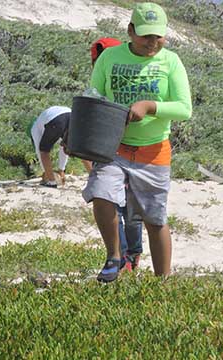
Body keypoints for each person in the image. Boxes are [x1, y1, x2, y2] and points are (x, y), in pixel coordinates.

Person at [82, 2, 192, 282]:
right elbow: (94, 96)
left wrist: (150, 106)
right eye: (146, 36)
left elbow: (184, 109)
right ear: (130, 31)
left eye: (158, 36)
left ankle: (162, 283)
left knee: (154, 220)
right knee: (101, 192)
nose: (152, 43)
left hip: (154, 151)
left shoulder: (171, 61)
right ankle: (115, 257)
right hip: (113, 146)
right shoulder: (109, 58)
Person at [91, 37, 143, 271]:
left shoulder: (132, 83)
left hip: (135, 152)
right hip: (106, 152)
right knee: (111, 203)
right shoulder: (98, 83)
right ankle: (121, 256)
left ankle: (131, 254)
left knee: (131, 207)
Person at [30, 106, 92, 188]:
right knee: (80, 149)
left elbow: (42, 153)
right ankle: (94, 178)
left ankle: (51, 182)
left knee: (43, 151)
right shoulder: (44, 126)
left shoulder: (34, 130)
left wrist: (46, 173)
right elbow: (63, 146)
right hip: (72, 115)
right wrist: (61, 170)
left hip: (56, 119)